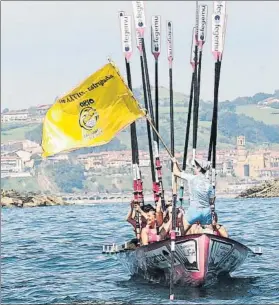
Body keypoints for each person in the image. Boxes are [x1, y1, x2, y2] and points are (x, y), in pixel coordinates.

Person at [172, 158, 214, 232]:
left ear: (199, 168)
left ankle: (180, 239)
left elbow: (176, 172)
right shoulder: (209, 184)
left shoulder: (192, 178)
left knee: (182, 229)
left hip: (194, 210)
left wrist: (174, 162)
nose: (194, 168)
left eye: (195, 166)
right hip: (206, 211)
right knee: (209, 231)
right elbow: (211, 200)